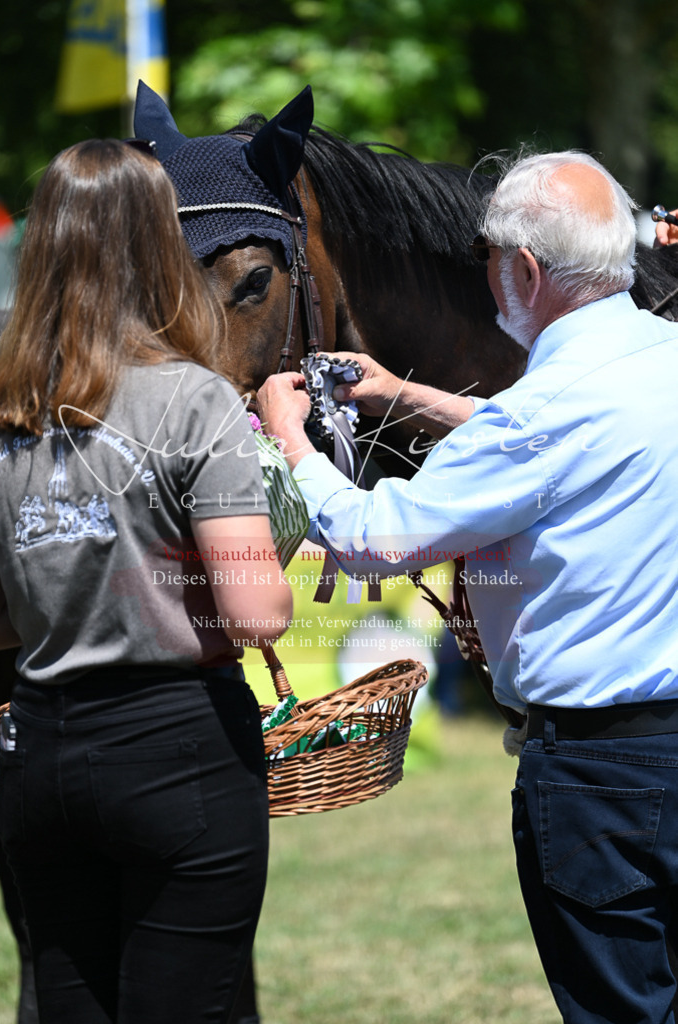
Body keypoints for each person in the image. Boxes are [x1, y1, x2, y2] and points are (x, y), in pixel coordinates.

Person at [258, 150, 678, 1023]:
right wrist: (404, 396)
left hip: (606, 781)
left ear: (524, 268)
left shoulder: (539, 416)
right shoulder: (653, 363)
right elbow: (573, 442)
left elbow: (373, 541)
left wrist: (290, 440)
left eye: (484, 254)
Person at [0, 138, 292, 1024]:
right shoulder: (195, 400)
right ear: (162, 246)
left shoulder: (7, 406)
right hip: (177, 751)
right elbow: (256, 613)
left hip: (36, 756)